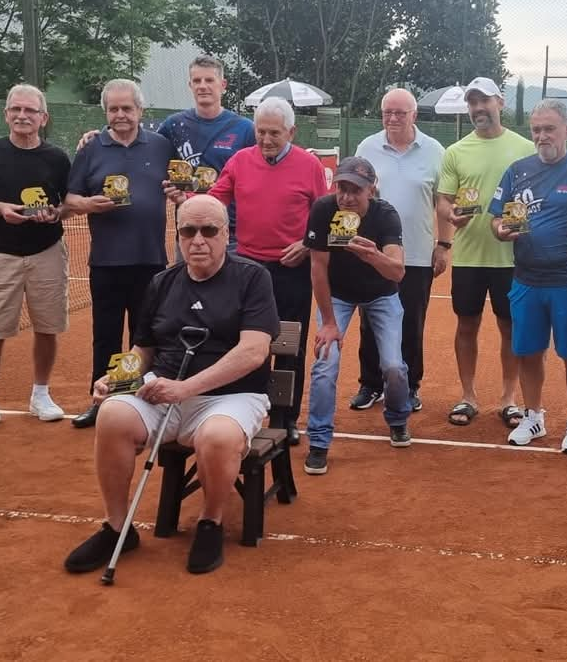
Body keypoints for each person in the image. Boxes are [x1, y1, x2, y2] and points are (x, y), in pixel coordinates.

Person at [64, 195, 279, 575]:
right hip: (162, 387)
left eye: (209, 230)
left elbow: (253, 352)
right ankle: (117, 528)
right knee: (112, 414)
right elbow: (143, 348)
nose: (198, 240)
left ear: (225, 234)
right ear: (177, 236)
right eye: (188, 231)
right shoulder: (162, 283)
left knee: (217, 438)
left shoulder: (252, 278)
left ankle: (210, 522)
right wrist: (117, 379)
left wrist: (186, 388)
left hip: (233, 395)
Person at [169, 96, 328, 445]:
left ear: (292, 131)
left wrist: (306, 243)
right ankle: (245, 410)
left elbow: (323, 213)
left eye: (275, 133)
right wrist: (187, 202)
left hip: (292, 270)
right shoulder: (240, 161)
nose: (266, 139)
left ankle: (286, 418)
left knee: (290, 346)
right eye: (261, 132)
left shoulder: (309, 165)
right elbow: (215, 201)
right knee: (245, 344)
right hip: (247, 271)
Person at [0, 84, 71, 436]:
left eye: (30, 111)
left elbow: (69, 203)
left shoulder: (57, 158)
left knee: (47, 327)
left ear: (43, 118)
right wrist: (0, 209)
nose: (23, 116)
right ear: (6, 114)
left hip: (47, 252)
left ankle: (40, 395)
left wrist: (55, 214)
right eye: (16, 109)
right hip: (1, 253)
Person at [65, 79, 175, 429]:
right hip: (107, 262)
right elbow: (69, 200)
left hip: (151, 261)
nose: (120, 115)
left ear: (140, 111)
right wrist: (88, 204)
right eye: (113, 109)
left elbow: (178, 185)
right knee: (107, 337)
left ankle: (140, 404)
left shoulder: (161, 146)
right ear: (105, 112)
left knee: (144, 338)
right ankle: (102, 402)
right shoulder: (91, 148)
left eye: (127, 108)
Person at [487, 99, 567, 453]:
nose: (542, 135)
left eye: (549, 128)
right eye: (536, 130)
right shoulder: (517, 170)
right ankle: (534, 416)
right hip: (526, 279)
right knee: (529, 352)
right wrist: (501, 230)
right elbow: (496, 218)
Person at [303, 157, 410, 475]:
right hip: (337, 295)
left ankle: (398, 416)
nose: (347, 197)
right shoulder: (324, 210)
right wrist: (329, 323)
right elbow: (318, 268)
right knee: (325, 362)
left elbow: (398, 271)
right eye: (342, 188)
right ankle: (319, 442)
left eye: (355, 190)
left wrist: (372, 255)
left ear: (371, 190)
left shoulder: (386, 215)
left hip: (382, 293)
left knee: (393, 366)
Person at [437, 77, 534, 428]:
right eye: (473, 103)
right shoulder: (456, 151)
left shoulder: (525, 148)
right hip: (468, 258)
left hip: (512, 258)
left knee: (510, 328)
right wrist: (450, 216)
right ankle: (468, 396)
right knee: (467, 325)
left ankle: (509, 398)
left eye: (484, 101)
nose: (479, 108)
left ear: (500, 103)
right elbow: (444, 200)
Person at [79, 55, 254, 243]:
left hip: (230, 229)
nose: (203, 86)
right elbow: (140, 142)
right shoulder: (174, 124)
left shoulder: (244, 128)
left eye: (209, 80)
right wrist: (102, 135)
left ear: (223, 84)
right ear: (190, 85)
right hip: (189, 226)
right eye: (197, 80)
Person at [351, 88, 448, 414]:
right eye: (387, 112)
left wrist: (443, 245)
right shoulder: (367, 147)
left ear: (414, 115)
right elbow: (352, 195)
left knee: (411, 322)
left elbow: (443, 202)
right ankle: (370, 383)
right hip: (371, 253)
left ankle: (409, 386)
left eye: (400, 113)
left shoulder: (435, 151)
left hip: (417, 254)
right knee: (369, 321)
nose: (393, 118)